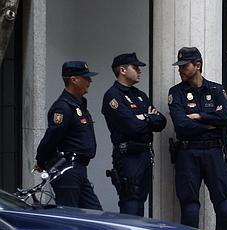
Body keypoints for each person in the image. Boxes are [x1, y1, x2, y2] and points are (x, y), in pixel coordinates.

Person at [168, 47, 227, 230]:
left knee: (224, 205)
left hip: (214, 151)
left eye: (184, 66)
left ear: (197, 66)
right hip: (188, 152)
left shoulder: (216, 89)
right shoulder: (176, 92)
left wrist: (200, 116)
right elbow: (181, 125)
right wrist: (211, 124)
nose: (180, 70)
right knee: (190, 207)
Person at [102, 53, 166, 216]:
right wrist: (148, 118)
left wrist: (144, 118)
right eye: (135, 67)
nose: (139, 71)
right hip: (128, 155)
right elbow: (132, 127)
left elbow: (161, 122)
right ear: (123, 70)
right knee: (131, 200)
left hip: (144, 154)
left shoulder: (140, 95)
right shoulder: (113, 96)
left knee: (141, 200)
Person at [35, 61, 102, 210]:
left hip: (78, 169)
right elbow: (51, 136)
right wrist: (41, 160)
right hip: (67, 168)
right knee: (69, 216)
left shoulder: (78, 105)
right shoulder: (63, 106)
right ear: (74, 79)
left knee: (94, 214)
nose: (90, 81)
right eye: (86, 77)